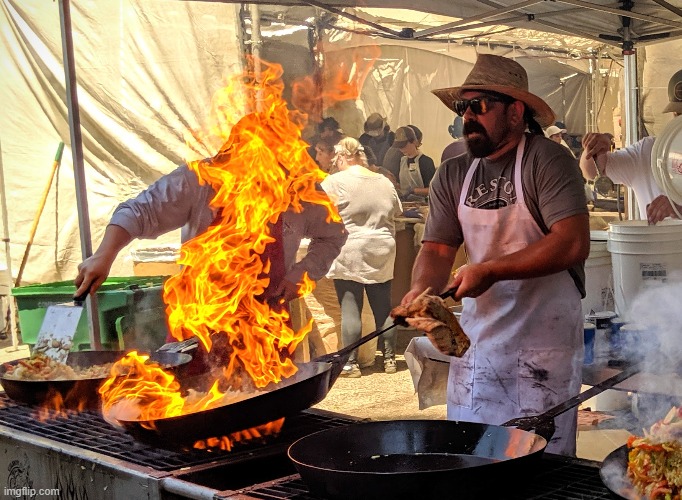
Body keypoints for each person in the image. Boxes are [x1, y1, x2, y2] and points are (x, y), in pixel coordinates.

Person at [406, 53, 590, 456]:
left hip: (541, 345)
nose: (468, 116)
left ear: (515, 111)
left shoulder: (548, 160)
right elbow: (437, 249)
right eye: (463, 107)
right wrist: (421, 292)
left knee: (540, 466)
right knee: (471, 458)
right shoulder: (453, 173)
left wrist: (490, 270)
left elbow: (572, 241)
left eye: (480, 105)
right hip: (479, 345)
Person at [75, 113, 348, 358]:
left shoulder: (298, 188)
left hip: (265, 321)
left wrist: (300, 276)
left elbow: (333, 234)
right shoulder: (200, 179)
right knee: (192, 401)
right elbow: (138, 212)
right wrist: (105, 254)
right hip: (199, 320)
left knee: (266, 404)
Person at [321, 137, 403, 377]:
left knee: (350, 307)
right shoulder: (383, 181)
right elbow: (396, 210)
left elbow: (318, 213)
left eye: (336, 158)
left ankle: (350, 363)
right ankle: (389, 360)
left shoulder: (334, 182)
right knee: (383, 307)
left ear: (343, 156)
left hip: (350, 248)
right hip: (382, 248)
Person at [580, 69, 682, 224]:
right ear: (674, 115)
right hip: (657, 247)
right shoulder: (648, 152)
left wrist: (677, 209)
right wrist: (595, 149)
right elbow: (591, 172)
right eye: (679, 114)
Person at [394, 126, 436, 203]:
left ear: (414, 142)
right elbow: (399, 184)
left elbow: (433, 189)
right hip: (405, 203)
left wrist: (414, 190)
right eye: (399, 147)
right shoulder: (401, 161)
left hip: (423, 204)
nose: (402, 149)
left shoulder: (426, 162)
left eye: (404, 146)